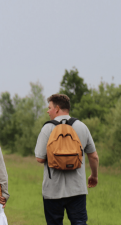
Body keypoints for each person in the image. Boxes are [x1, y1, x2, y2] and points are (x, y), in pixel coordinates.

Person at [35, 94, 99, 225]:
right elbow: (93, 156)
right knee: (79, 222)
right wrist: (94, 175)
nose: (48, 111)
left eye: (49, 108)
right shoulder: (82, 126)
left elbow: (40, 159)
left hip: (52, 191)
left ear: (57, 109)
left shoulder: (47, 128)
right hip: (77, 189)